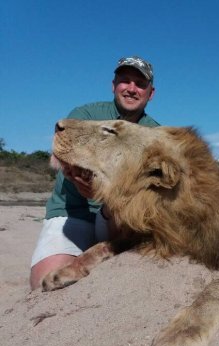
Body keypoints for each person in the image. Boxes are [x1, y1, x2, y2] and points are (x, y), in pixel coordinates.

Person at [30, 56, 159, 290]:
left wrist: (108, 193)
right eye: (125, 81)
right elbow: (63, 158)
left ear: (150, 93)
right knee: (45, 284)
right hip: (73, 212)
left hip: (117, 216)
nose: (131, 88)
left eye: (140, 84)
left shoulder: (155, 134)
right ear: (113, 85)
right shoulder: (86, 115)